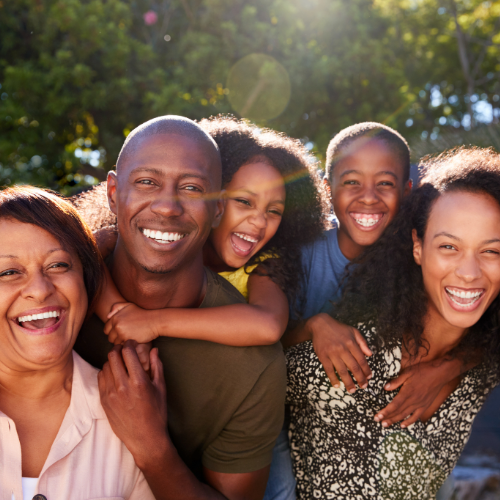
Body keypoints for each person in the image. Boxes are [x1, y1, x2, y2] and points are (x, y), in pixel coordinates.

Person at [73, 115, 287, 500]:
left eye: (191, 188)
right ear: (112, 191)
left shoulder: (255, 366)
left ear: (217, 208)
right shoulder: (53, 296)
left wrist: (153, 448)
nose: (168, 207)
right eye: (147, 182)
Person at [286, 147, 500, 498]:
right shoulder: (353, 358)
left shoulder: (484, 361)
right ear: (417, 247)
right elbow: (252, 376)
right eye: (449, 247)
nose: (469, 272)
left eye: (491, 250)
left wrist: (451, 366)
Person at [96, 115, 326, 347]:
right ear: (215, 203)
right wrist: (121, 316)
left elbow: (268, 324)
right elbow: (83, 261)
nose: (259, 221)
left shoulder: (263, 268)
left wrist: (153, 323)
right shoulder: (138, 238)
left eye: (274, 211)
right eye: (244, 202)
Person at [0, 186, 154, 500]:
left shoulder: (135, 416)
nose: (40, 290)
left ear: (87, 280)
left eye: (58, 265)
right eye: (9, 272)